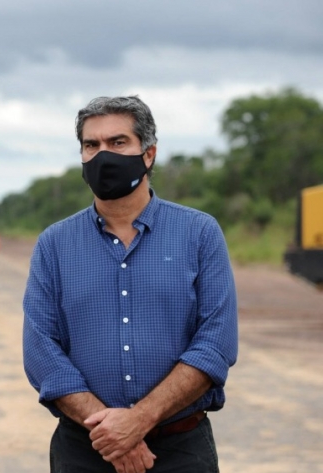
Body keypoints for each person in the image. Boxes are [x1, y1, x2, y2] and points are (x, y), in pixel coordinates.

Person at [22, 96, 238, 473]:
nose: (103, 154)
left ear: (149, 154)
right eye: (92, 145)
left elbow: (215, 344)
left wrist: (138, 420)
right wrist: (113, 433)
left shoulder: (199, 233)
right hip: (85, 449)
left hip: (181, 449)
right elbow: (42, 352)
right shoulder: (54, 244)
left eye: (118, 142)